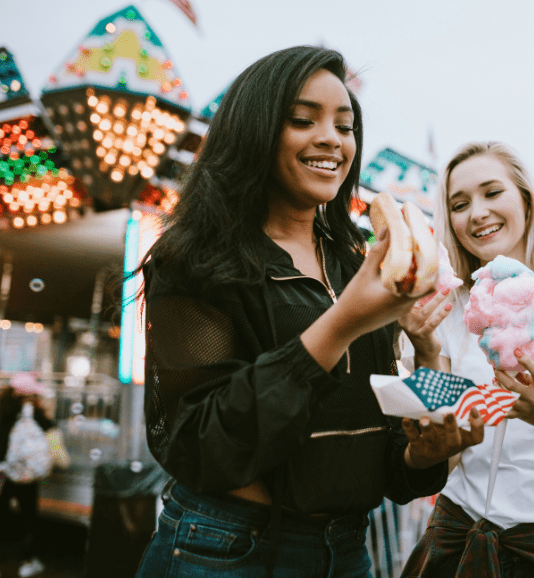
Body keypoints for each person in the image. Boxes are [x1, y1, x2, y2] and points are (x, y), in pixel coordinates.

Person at [133, 45, 483, 578]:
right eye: (303, 120)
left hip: (345, 551)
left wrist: (425, 447)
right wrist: (341, 325)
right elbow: (198, 444)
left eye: (345, 126)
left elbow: (383, 447)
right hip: (227, 548)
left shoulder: (355, 264)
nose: (332, 140)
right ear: (255, 131)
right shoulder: (196, 260)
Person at [400, 142, 534, 578]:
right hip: (459, 529)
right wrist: (426, 354)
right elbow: (437, 444)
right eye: (459, 203)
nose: (477, 213)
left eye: (492, 193)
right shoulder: (446, 312)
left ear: (526, 201)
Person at [0, 374, 55, 578]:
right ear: (26, 394)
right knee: (29, 516)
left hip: (4, 471)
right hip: (25, 472)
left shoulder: (3, 409)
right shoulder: (32, 412)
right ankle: (28, 560)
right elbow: (51, 428)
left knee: (3, 513)